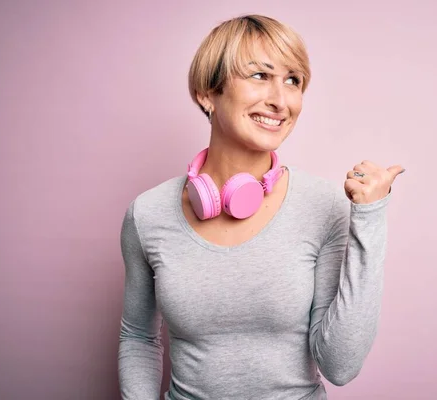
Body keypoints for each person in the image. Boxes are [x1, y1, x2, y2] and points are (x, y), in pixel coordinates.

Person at [118, 14, 404, 400]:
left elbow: (340, 366)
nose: (281, 100)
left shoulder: (324, 206)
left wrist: (368, 220)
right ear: (207, 93)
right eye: (259, 75)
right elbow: (137, 336)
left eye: (293, 81)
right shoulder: (147, 214)